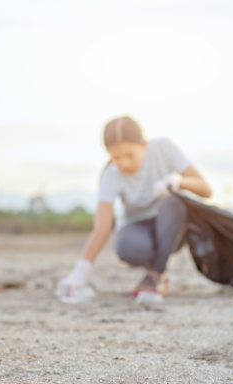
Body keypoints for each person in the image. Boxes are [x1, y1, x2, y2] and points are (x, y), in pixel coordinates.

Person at [56, 115, 211, 304]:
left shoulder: (163, 148)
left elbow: (206, 189)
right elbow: (103, 227)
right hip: (138, 226)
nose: (124, 163)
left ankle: (156, 275)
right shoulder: (111, 175)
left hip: (173, 225)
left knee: (173, 202)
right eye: (115, 157)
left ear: (144, 145)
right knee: (128, 247)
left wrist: (178, 182)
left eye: (130, 155)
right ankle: (155, 271)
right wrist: (80, 272)